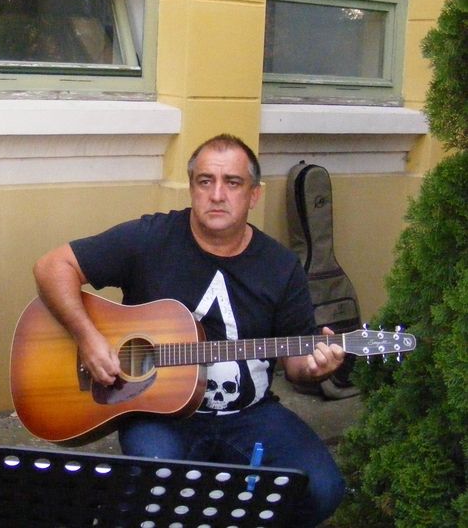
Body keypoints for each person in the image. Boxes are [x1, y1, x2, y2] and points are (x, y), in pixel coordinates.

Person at [33, 134, 346, 527]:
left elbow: (297, 365)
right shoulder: (150, 239)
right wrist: (88, 337)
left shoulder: (280, 266)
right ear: (192, 188)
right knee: (158, 487)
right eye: (205, 181)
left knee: (322, 489)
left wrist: (316, 367)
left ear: (254, 195)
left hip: (249, 413)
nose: (217, 194)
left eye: (233, 182)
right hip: (157, 414)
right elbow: (52, 267)